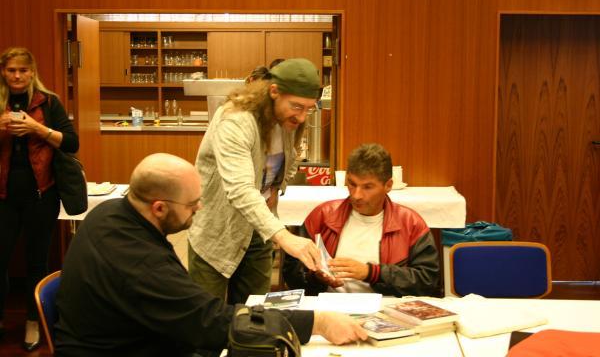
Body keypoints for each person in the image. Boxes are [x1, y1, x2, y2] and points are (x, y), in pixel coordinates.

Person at [54, 153, 367, 357]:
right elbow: (211, 323)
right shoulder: (140, 262)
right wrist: (318, 322)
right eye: (192, 204)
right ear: (159, 207)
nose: (199, 208)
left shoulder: (111, 213)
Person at [188, 58, 323, 305]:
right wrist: (284, 236)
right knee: (206, 316)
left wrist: (275, 187)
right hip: (218, 231)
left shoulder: (288, 119)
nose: (302, 117)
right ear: (274, 92)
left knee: (254, 313)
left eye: (309, 108)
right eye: (297, 106)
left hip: (259, 230)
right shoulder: (236, 120)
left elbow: (291, 157)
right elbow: (240, 189)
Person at [283, 143, 440, 296]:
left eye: (367, 187)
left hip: (386, 308)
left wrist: (372, 273)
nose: (356, 195)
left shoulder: (411, 223)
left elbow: (427, 281)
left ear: (388, 185)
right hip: (330, 306)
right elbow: (291, 274)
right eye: (352, 184)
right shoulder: (322, 216)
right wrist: (315, 278)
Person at [0, 47, 79, 351]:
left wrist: (38, 128)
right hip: (3, 196)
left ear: (32, 72)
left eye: (23, 70)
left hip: (41, 195)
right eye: (11, 70)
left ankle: (34, 321)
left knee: (37, 261)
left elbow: (71, 142)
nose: (17, 76)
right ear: (3, 72)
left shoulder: (49, 102)